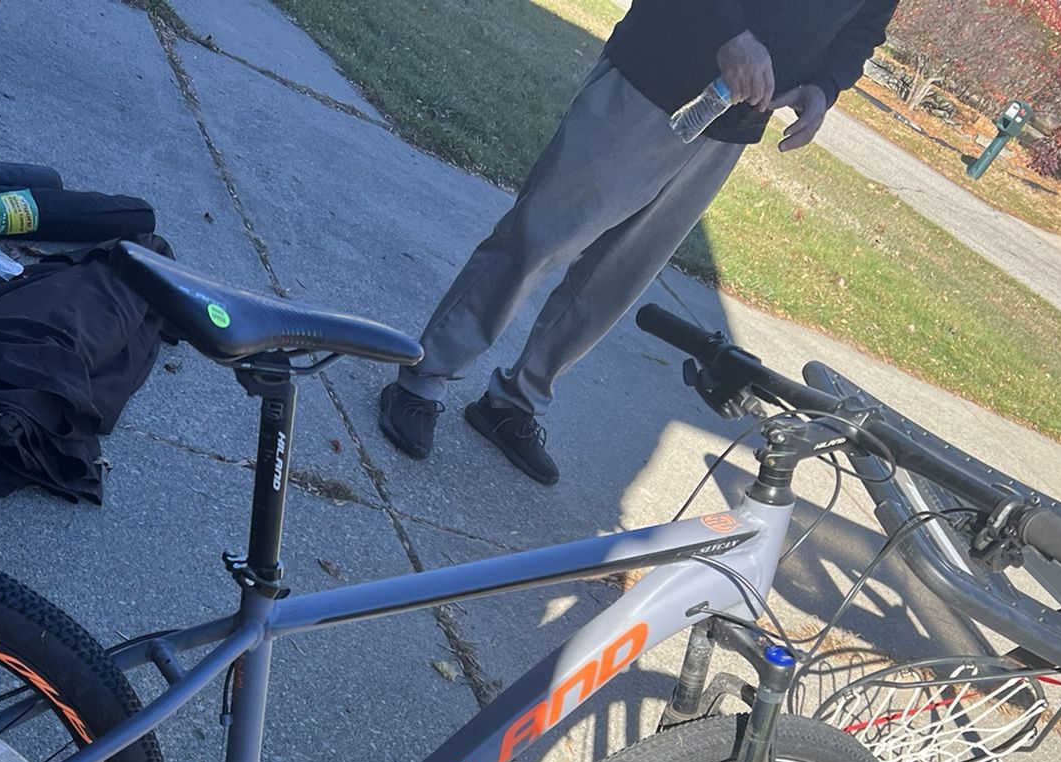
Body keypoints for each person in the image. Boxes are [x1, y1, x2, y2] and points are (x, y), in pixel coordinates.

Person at [378, 0, 898, 485]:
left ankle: (515, 403)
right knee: (538, 239)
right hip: (654, 75)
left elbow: (866, 24)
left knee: (613, 281)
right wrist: (731, 33)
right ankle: (425, 377)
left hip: (734, 122)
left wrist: (824, 86)